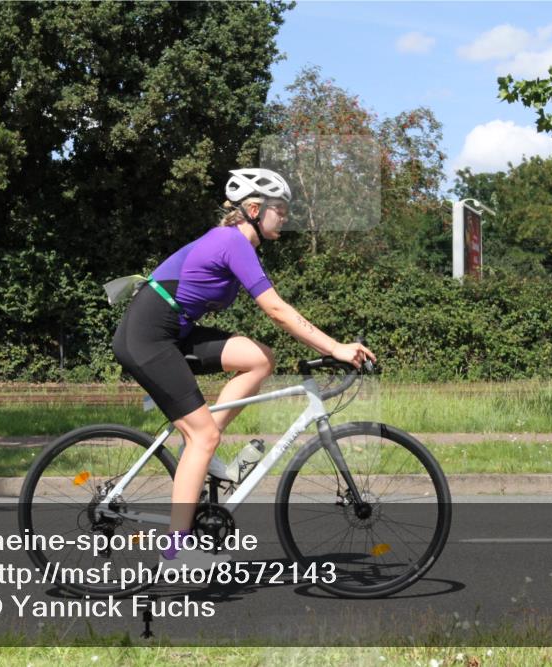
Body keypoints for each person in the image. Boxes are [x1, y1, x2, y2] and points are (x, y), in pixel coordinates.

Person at [111, 167, 375, 566]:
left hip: (173, 332)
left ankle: (204, 453)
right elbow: (276, 310)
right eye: (280, 209)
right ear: (254, 208)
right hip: (147, 337)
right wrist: (335, 346)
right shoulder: (231, 242)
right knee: (201, 438)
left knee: (259, 358)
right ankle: (177, 553)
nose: (284, 217)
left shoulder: (237, 244)